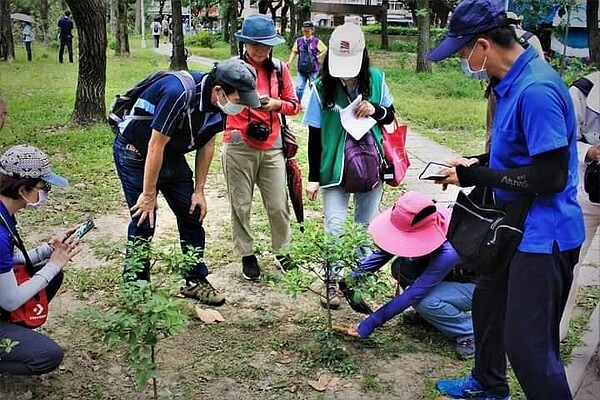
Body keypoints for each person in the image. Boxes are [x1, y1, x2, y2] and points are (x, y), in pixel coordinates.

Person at [427, 1, 584, 399]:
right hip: (513, 226)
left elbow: (548, 176)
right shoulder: (511, 83)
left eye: (463, 52)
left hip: (542, 235)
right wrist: (473, 164)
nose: (463, 60)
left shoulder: (537, 90)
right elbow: (521, 156)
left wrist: (472, 175)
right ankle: (488, 384)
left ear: (483, 45)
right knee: (487, 303)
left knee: (529, 347)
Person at [113, 59, 260, 306]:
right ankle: (135, 287)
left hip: (170, 154)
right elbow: (155, 144)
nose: (241, 106)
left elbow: (207, 142)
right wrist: (148, 194)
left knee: (192, 212)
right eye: (239, 100)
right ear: (218, 91)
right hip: (136, 153)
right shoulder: (178, 92)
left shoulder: (219, 104)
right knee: (144, 217)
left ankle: (195, 280)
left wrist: (199, 190)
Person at [303, 22, 395, 308]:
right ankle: (333, 280)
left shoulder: (377, 79)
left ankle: (357, 281)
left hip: (370, 166)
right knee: (335, 226)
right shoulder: (321, 87)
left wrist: (375, 109)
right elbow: (314, 135)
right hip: (334, 168)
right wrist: (313, 176)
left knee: (364, 227)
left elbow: (390, 118)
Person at [342, 192, 476, 359]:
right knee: (401, 267)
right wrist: (352, 278)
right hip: (454, 274)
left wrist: (371, 322)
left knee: (425, 301)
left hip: (483, 286)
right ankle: (432, 316)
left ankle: (469, 332)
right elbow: (386, 252)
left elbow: (415, 293)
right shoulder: (431, 215)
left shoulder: (450, 250)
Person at [221, 13, 300, 281]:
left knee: (278, 204)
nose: (259, 49)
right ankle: (246, 254)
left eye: (264, 44)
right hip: (238, 143)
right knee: (240, 204)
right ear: (244, 42)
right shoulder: (230, 69)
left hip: (272, 145)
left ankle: (283, 251)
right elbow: (219, 104)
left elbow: (294, 104)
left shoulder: (279, 68)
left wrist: (276, 104)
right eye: (254, 43)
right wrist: (243, 102)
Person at [0, 144, 80, 375]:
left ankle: (11, 329)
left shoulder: (4, 212)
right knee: (47, 356)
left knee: (49, 274)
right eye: (44, 186)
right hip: (6, 300)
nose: (46, 191)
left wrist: (47, 251)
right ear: (23, 190)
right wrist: (54, 264)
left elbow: (6, 260)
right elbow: (10, 300)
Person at [560, 71, 600, 339]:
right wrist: (590, 152)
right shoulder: (583, 91)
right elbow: (559, 141)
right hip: (585, 191)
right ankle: (554, 335)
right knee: (568, 262)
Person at [484, 11, 545, 151]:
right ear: (518, 21)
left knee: (493, 128)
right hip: (524, 90)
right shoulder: (531, 38)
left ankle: (490, 157)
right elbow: (540, 64)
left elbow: (487, 66)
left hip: (497, 88)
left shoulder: (492, 38)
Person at [286, 21, 327, 103]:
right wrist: (289, 61)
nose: (306, 32)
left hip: (313, 69)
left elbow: (325, 49)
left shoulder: (316, 41)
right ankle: (297, 104)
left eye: (308, 30)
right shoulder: (299, 41)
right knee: (299, 88)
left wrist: (319, 57)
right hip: (301, 69)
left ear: (312, 30)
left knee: (313, 88)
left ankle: (314, 104)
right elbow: (294, 51)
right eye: (304, 30)